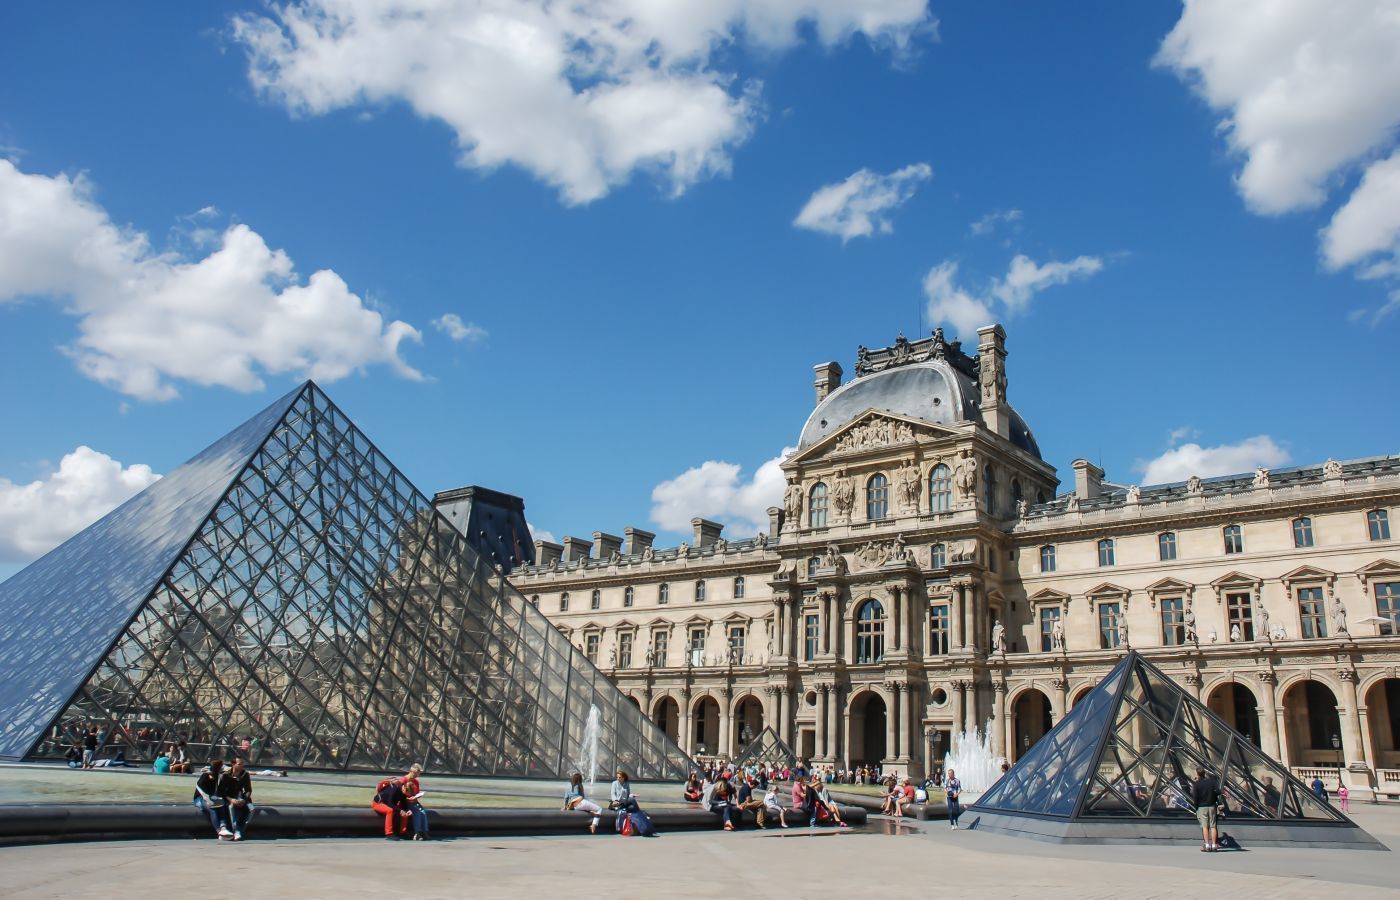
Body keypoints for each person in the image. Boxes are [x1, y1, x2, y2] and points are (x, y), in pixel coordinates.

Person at [193, 758, 233, 840]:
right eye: (222, 766)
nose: (223, 767)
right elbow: (199, 787)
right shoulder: (205, 775)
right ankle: (219, 832)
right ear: (217, 768)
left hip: (211, 798)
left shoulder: (218, 776)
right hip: (200, 798)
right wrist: (207, 799)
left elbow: (220, 791)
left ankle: (223, 827)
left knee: (221, 806)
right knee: (212, 808)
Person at [219, 757, 254, 841]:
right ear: (233, 764)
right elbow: (221, 792)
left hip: (241, 798)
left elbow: (248, 789)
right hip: (229, 798)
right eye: (239, 764)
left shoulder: (245, 774)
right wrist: (231, 799)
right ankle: (236, 830)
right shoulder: (225, 775)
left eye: (243, 764)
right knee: (231, 807)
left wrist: (244, 799)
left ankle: (240, 829)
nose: (242, 766)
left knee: (252, 809)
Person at [372, 774, 412, 840]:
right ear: (405, 788)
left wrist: (407, 810)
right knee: (389, 810)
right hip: (378, 803)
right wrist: (400, 810)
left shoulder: (404, 793)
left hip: (389, 804)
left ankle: (403, 833)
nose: (408, 796)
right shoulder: (394, 788)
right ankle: (389, 834)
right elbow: (389, 803)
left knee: (405, 813)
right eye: (408, 793)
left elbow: (404, 804)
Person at [1192, 767, 1222, 852]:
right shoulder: (1211, 782)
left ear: (1197, 774)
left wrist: (1196, 806)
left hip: (1202, 807)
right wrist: (1212, 794)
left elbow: (1195, 797)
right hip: (1212, 806)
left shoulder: (1196, 784)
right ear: (1204, 773)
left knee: (1205, 826)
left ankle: (1207, 844)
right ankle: (1214, 845)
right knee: (1213, 826)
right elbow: (1219, 791)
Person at [401, 764, 430, 840]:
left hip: (414, 802)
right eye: (416, 773)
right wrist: (409, 798)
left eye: (418, 774)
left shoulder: (416, 781)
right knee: (417, 812)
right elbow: (400, 794)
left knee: (423, 812)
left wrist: (417, 796)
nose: (417, 775)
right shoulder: (403, 780)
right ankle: (417, 833)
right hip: (405, 803)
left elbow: (416, 793)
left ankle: (425, 832)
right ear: (411, 772)